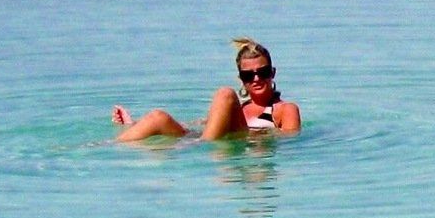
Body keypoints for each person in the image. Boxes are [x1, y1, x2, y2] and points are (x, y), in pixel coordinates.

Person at [112, 38, 301, 141]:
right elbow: (196, 124)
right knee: (158, 117)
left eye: (263, 72)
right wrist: (133, 124)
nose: (257, 79)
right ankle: (107, 146)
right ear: (241, 80)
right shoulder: (239, 108)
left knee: (225, 94)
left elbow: (289, 141)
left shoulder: (285, 109)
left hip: (233, 146)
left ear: (272, 73)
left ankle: (203, 147)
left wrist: (256, 134)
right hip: (202, 140)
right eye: (248, 76)